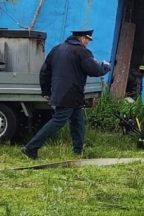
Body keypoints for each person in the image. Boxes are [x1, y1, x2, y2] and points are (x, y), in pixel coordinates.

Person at [21, 29, 111, 159]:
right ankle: (31, 148)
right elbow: (94, 70)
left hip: (64, 93)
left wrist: (46, 91)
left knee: (78, 121)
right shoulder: (81, 51)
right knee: (58, 120)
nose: (88, 43)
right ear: (82, 38)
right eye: (88, 40)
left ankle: (78, 151)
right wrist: (106, 66)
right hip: (70, 92)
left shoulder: (57, 49)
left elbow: (45, 72)